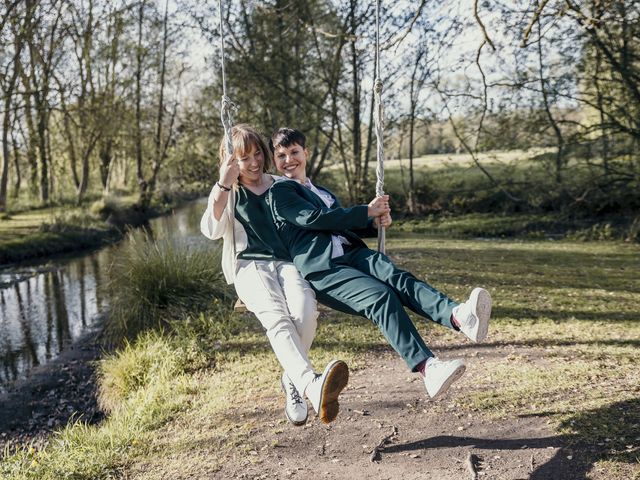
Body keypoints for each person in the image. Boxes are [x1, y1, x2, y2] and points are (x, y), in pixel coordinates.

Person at [267, 127, 492, 399]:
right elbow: (313, 219)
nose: (289, 160)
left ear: (306, 153)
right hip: (323, 267)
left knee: (395, 275)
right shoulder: (280, 192)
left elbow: (340, 226)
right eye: (281, 155)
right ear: (274, 161)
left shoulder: (321, 191)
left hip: (352, 253)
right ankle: (428, 368)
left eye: (294, 152)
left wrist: (375, 222)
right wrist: (365, 211)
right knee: (380, 297)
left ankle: (459, 317)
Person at [200, 124, 349, 425]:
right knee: (278, 319)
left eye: (258, 154)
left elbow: (318, 213)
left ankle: (292, 378)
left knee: (306, 313)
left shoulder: (281, 184)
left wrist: (366, 220)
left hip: (289, 262)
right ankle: (310, 383)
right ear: (231, 161)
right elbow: (210, 229)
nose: (254, 163)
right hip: (250, 266)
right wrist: (223, 184)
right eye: (245, 158)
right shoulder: (229, 191)